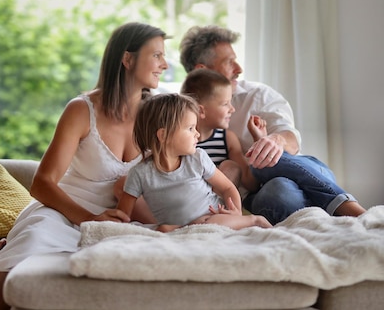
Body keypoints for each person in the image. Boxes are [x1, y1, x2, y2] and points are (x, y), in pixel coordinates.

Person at [0, 22, 168, 310]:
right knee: (32, 241)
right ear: (127, 59)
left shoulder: (158, 115)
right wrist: (90, 220)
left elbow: (174, 174)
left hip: (120, 219)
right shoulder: (82, 109)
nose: (165, 64)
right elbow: (42, 183)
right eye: (157, 55)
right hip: (63, 212)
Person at [179, 25, 366, 224]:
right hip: (262, 193)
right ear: (203, 70)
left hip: (304, 172)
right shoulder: (178, 118)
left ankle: (350, 208)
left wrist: (272, 141)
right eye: (229, 62)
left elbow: (291, 142)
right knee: (280, 193)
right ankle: (328, 217)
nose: (239, 69)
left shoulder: (258, 96)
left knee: (264, 162)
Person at [116, 93, 272, 232]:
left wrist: (236, 212)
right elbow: (122, 216)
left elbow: (227, 188)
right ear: (163, 135)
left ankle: (255, 220)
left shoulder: (198, 158)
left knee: (207, 223)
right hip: (182, 229)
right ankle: (184, 229)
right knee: (163, 229)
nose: (197, 134)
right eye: (190, 128)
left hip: (212, 217)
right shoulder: (139, 174)